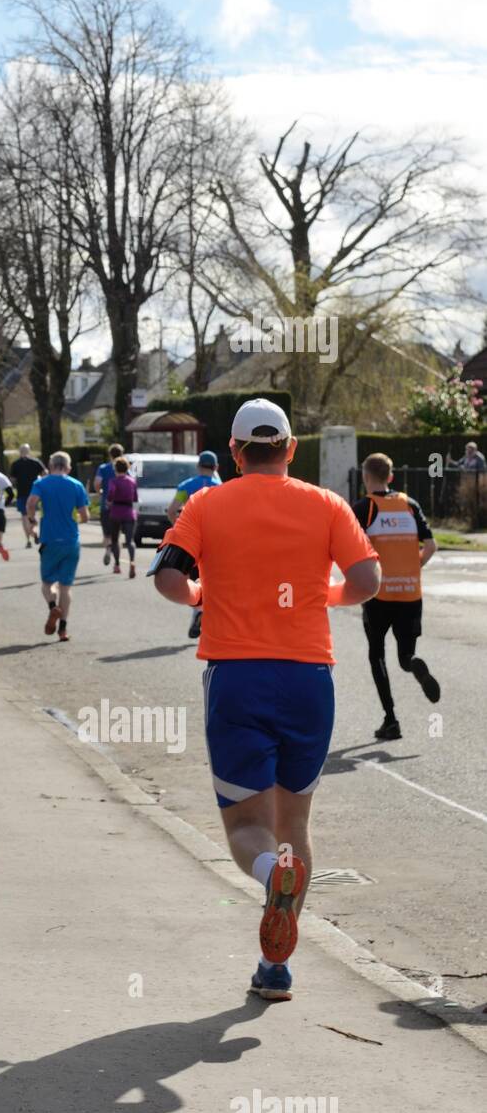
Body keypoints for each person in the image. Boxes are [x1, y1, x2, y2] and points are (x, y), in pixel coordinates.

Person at [150, 399, 381, 1001]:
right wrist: (320, 598)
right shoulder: (327, 504)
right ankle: (274, 964)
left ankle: (266, 877)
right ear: (291, 448)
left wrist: (204, 593)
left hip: (237, 675)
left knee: (246, 823)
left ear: (233, 452)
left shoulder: (206, 502)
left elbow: (169, 578)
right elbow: (367, 581)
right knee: (294, 822)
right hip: (309, 677)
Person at [351, 453, 440, 740]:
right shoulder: (410, 505)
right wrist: (414, 567)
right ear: (391, 477)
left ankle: (391, 720)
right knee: (405, 655)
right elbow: (431, 545)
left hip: (379, 594)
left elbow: (351, 548)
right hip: (410, 592)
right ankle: (414, 663)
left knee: (376, 654)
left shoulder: (365, 507)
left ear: (366, 477)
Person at [24, 452, 90, 641]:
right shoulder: (76, 485)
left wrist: (32, 519)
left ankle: (53, 608)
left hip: (50, 540)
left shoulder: (41, 484)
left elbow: (31, 503)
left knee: (47, 584)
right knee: (66, 587)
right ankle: (63, 629)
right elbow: (85, 516)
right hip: (71, 541)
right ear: (68, 467)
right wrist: (74, 520)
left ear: (50, 466)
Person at [167, 450, 223, 639]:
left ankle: (199, 611)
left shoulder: (186, 486)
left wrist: (180, 528)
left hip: (192, 542)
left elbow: (172, 510)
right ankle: (208, 618)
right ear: (216, 468)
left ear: (199, 466)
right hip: (216, 541)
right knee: (213, 582)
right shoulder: (221, 487)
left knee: (195, 581)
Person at [104, 455, 138, 576]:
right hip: (129, 512)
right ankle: (132, 562)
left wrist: (108, 501)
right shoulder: (132, 481)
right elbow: (135, 498)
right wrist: (136, 513)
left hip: (116, 511)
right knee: (130, 541)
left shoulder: (113, 481)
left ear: (115, 469)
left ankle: (117, 564)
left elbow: (111, 493)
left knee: (115, 540)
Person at [93, 444, 126, 567]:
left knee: (107, 534)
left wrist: (100, 492)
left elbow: (97, 482)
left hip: (106, 506)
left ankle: (107, 549)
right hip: (122, 506)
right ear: (122, 454)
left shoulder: (103, 468)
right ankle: (117, 564)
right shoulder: (125, 468)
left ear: (110, 454)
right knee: (117, 535)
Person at [9, 444, 46, 548]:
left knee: (25, 517)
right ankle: (34, 531)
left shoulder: (15, 464)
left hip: (22, 493)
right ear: (29, 451)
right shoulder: (36, 462)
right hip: (35, 493)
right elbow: (45, 473)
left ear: (19, 452)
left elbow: (12, 480)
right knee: (33, 515)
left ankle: (28, 539)